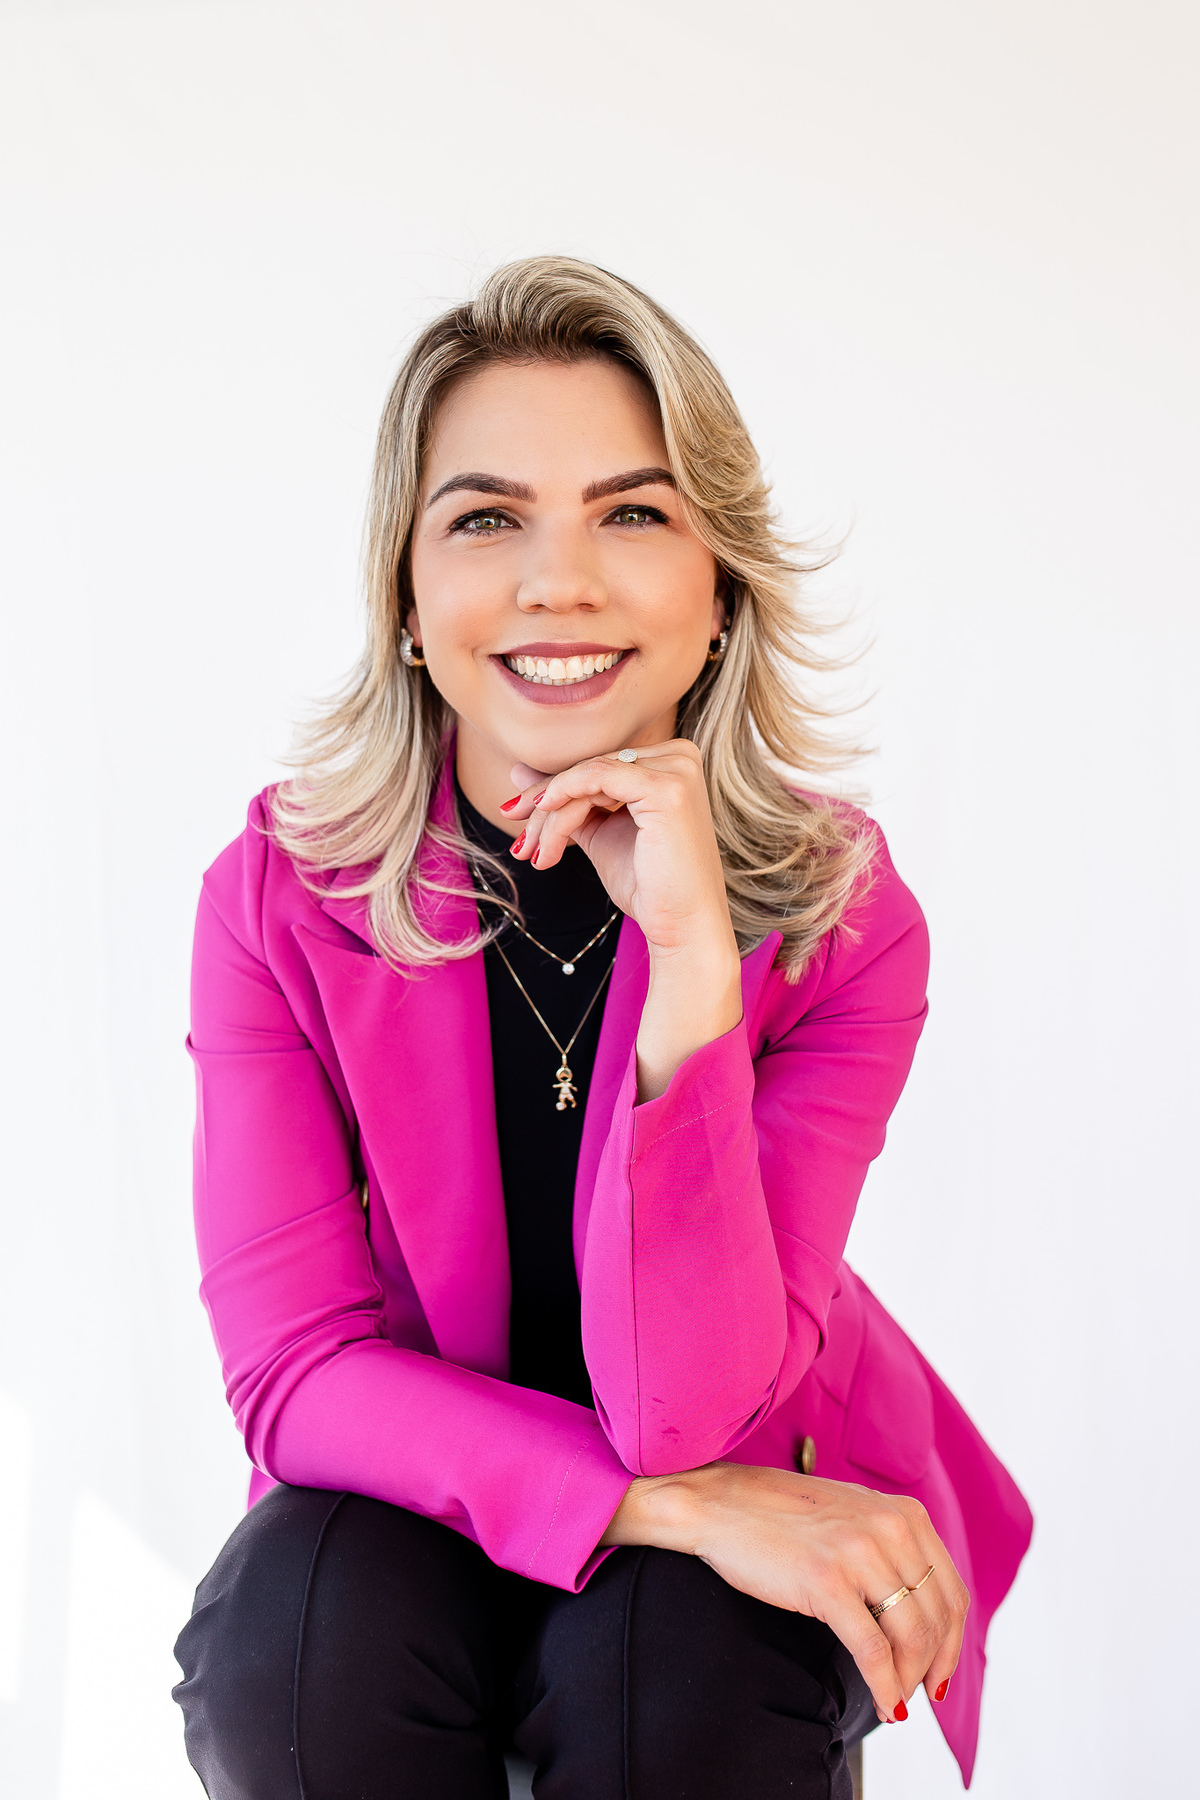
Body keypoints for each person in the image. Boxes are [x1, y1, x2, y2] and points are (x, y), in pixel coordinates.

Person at [172, 257, 1031, 1800]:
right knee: (296, 1646)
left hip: (742, 1484)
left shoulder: (842, 917)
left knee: (672, 1675)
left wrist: (694, 973)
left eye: (632, 514)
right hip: (422, 1491)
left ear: (718, 593)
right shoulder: (277, 899)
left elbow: (689, 1415)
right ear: (409, 600)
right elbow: (296, 1374)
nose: (556, 582)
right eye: (485, 518)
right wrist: (668, 1510)